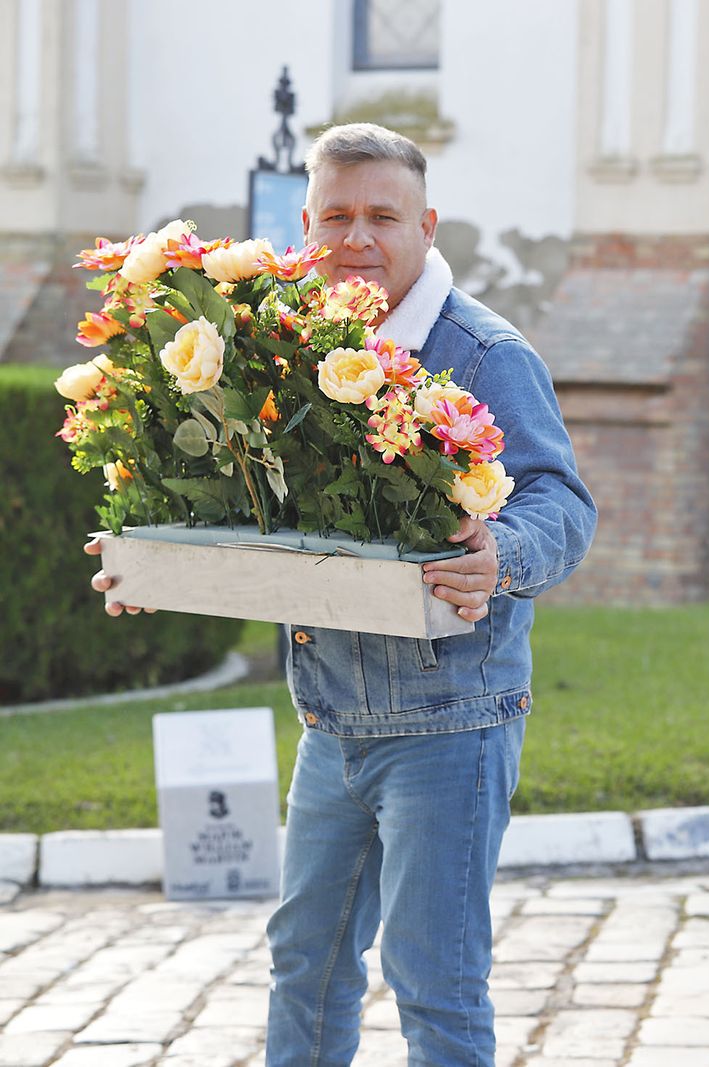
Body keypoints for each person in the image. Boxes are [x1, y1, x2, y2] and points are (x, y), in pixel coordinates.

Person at [86, 123, 598, 1064]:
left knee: (434, 977)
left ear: (428, 226)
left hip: (453, 720)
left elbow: (563, 503)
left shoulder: (484, 353)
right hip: (331, 721)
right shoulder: (292, 348)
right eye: (335, 216)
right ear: (306, 223)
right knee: (306, 959)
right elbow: (254, 506)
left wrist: (503, 551)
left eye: (381, 216)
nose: (356, 237)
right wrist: (159, 561)